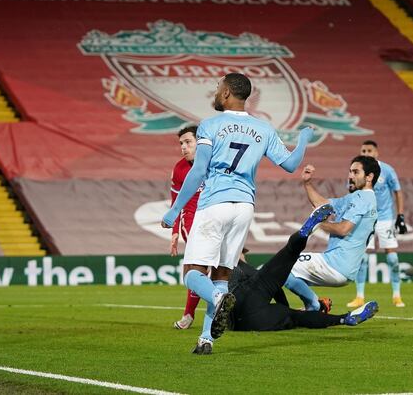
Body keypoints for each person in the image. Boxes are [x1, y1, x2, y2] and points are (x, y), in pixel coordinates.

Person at [161, 73, 313, 355]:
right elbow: (291, 164)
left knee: (193, 275)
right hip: (244, 207)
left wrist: (174, 209)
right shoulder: (263, 129)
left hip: (215, 204)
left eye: (219, 88)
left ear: (228, 92)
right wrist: (303, 139)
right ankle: (206, 339)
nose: (216, 92)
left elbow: (198, 172)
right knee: (220, 275)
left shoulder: (210, 125)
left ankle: (219, 300)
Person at [227, 204, 378, 340]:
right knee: (289, 254)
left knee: (297, 316)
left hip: (243, 324)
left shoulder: (217, 268)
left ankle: (344, 318)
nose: (245, 255)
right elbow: (274, 288)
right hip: (249, 302)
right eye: (243, 252)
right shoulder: (235, 263)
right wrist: (284, 308)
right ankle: (304, 232)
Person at [283, 157, 379, 312]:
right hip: (342, 266)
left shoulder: (364, 198)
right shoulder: (356, 197)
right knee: (288, 272)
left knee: (282, 267)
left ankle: (314, 305)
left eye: (356, 172)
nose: (350, 176)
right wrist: (307, 183)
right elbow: (323, 205)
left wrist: (318, 223)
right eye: (350, 172)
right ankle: (310, 308)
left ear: (369, 177)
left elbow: (343, 229)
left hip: (336, 263)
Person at [347, 140, 408, 309]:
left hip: (385, 218)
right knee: (362, 256)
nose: (366, 153)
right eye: (363, 150)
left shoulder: (387, 170)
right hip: (366, 218)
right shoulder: (356, 170)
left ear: (376, 153)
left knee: (392, 257)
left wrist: (400, 215)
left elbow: (398, 191)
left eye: (369, 150)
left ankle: (397, 295)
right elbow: (351, 192)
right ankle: (359, 296)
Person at [169, 125, 202, 330]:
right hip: (191, 222)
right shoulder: (179, 168)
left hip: (218, 219)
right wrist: (174, 231)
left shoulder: (215, 163)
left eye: (188, 142)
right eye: (181, 143)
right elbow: (175, 201)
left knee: (228, 266)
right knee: (196, 268)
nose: (183, 147)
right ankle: (189, 314)